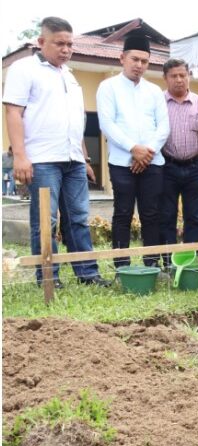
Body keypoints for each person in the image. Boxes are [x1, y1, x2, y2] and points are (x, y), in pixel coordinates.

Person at [3, 16, 110, 287]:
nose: (66, 49)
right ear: (41, 42)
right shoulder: (23, 68)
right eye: (59, 43)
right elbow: (13, 112)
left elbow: (77, 122)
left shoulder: (69, 75)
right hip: (42, 160)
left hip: (73, 159)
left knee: (79, 219)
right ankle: (49, 278)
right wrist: (20, 156)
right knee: (45, 220)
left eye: (69, 44)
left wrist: (84, 158)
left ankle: (87, 274)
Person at [98, 34, 169, 269]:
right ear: (122, 58)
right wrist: (133, 149)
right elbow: (107, 124)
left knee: (151, 214)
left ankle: (151, 265)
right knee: (123, 213)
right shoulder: (108, 87)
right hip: (121, 162)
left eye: (145, 61)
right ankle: (122, 267)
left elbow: (163, 127)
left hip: (152, 162)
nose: (140, 65)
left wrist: (146, 153)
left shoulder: (155, 91)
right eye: (135, 59)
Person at [159, 58, 198, 268]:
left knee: (195, 216)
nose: (179, 80)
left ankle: (189, 261)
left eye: (182, 75)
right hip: (166, 166)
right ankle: (169, 261)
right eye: (174, 76)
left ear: (188, 76)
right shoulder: (158, 102)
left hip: (195, 166)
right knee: (166, 215)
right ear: (166, 78)